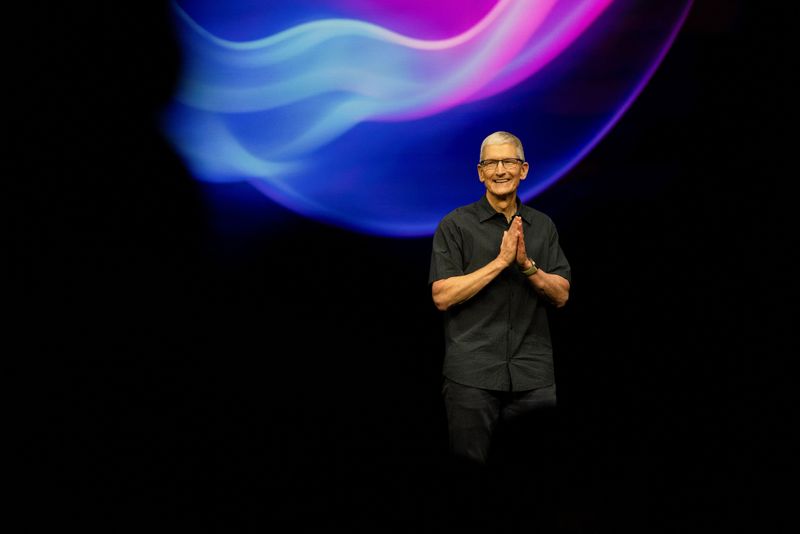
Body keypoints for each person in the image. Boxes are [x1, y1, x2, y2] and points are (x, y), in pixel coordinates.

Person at [428, 130, 571, 465]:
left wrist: (525, 266)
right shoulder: (456, 225)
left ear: (524, 169)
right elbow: (442, 296)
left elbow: (562, 294)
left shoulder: (542, 226)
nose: (500, 170)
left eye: (509, 161)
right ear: (480, 173)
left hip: (532, 376)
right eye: (491, 163)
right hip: (472, 376)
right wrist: (500, 263)